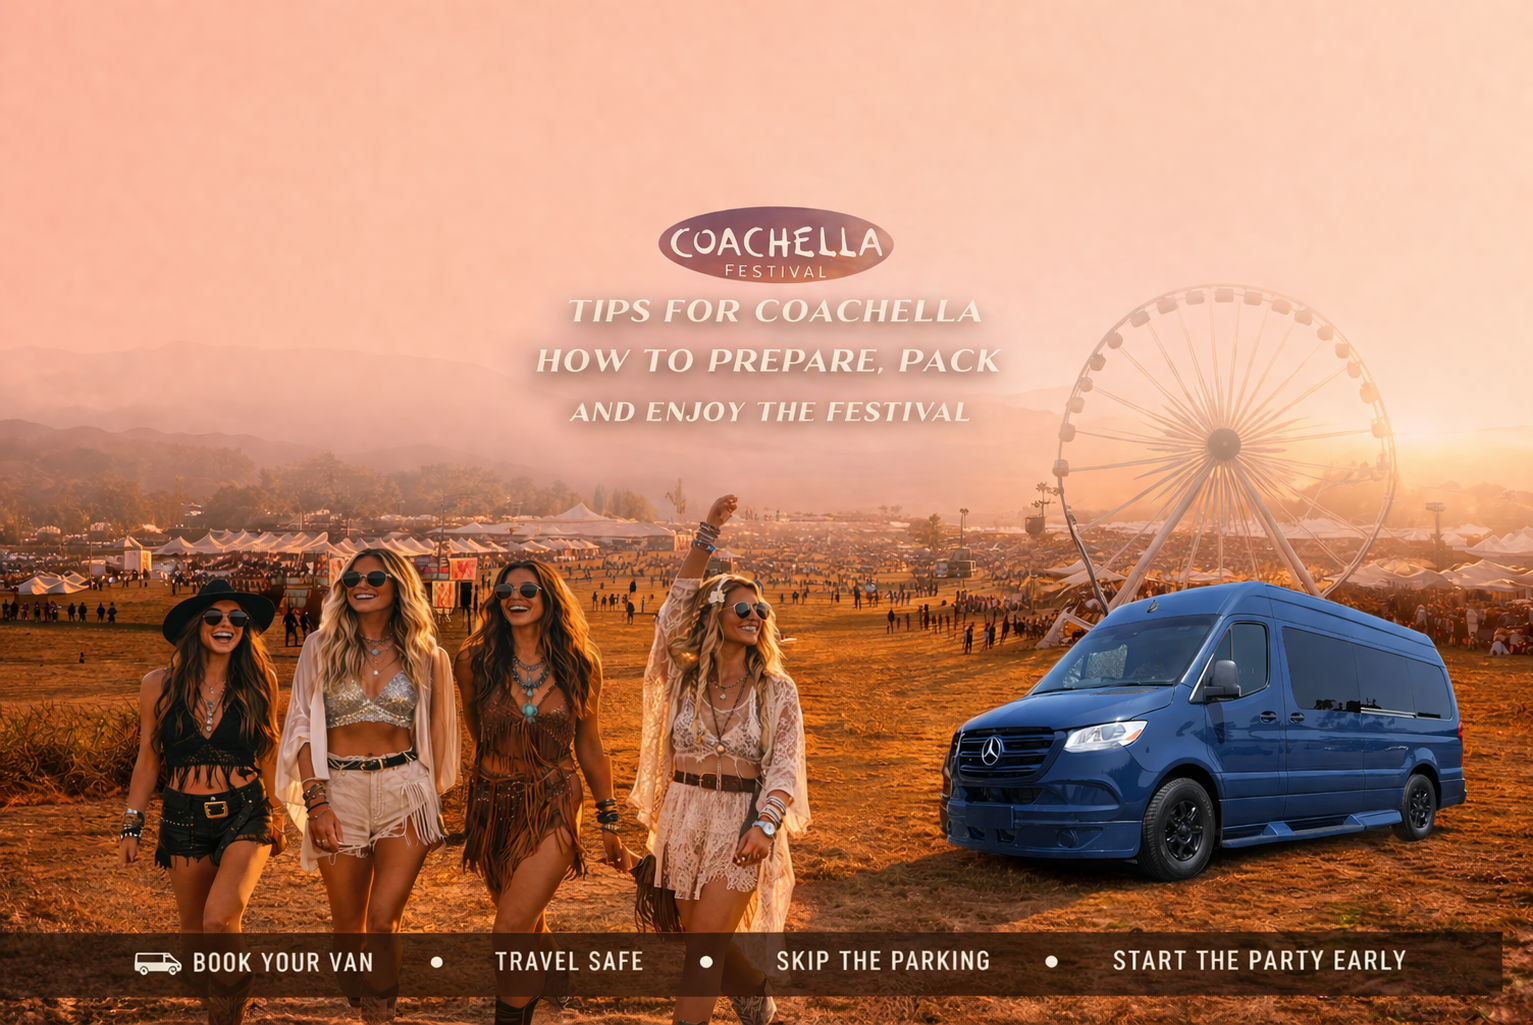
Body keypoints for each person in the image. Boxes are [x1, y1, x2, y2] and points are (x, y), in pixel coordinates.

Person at [629, 494, 810, 1025]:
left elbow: (783, 766)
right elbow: (673, 609)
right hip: (681, 816)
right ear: (715, 614)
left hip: (739, 825)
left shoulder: (777, 689)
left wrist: (766, 823)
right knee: (701, 941)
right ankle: (753, 994)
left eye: (761, 610)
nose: (756, 616)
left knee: (702, 951)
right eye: (743, 608)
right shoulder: (683, 677)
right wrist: (708, 530)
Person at [275, 549, 458, 1023]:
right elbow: (298, 727)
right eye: (353, 577)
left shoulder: (428, 655)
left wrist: (430, 799)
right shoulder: (320, 646)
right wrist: (317, 802)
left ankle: (379, 1016)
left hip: (405, 792)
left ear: (398, 585)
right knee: (348, 932)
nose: (362, 583)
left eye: (375, 577)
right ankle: (362, 997)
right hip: (339, 792)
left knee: (383, 923)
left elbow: (439, 736)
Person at [456, 561, 629, 1025]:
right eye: (506, 589)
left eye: (528, 589)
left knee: (510, 928)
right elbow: (479, 733)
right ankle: (555, 976)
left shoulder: (580, 663)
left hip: (554, 801)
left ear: (548, 597)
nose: (516, 596)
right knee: (525, 916)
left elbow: (590, 746)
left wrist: (608, 819)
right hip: (492, 806)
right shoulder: (474, 661)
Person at [117, 580, 283, 1025]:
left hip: (247, 811)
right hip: (182, 819)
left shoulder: (259, 679)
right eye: (214, 617)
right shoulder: (158, 685)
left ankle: (228, 1015)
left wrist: (286, 812)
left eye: (237, 618)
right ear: (196, 625)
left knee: (218, 920)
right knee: (196, 946)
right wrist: (132, 825)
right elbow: (149, 760)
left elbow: (269, 749)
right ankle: (229, 992)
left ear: (246, 629)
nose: (226, 624)